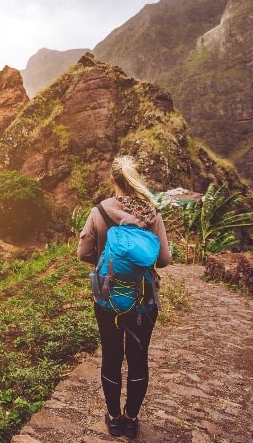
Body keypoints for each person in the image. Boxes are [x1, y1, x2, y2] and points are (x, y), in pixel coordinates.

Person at [76, 155, 171, 439]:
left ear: (112, 180)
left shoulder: (100, 212)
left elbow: (82, 253)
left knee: (112, 355)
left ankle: (114, 418)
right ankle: (131, 418)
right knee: (138, 357)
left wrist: (107, 259)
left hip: (107, 300)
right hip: (144, 301)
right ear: (135, 179)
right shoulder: (152, 213)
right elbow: (165, 259)